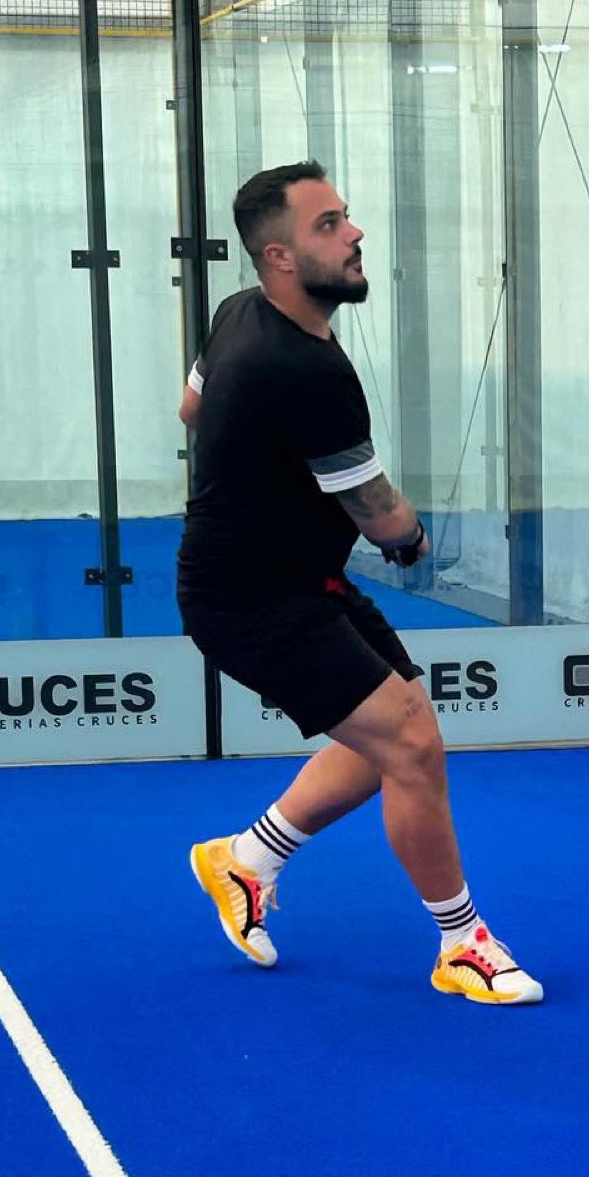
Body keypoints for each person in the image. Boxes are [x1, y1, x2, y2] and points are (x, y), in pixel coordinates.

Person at [174, 161, 541, 1006]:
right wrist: (413, 539)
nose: (355, 233)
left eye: (345, 216)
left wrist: (257, 468)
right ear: (279, 257)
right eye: (329, 225)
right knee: (410, 745)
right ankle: (462, 945)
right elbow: (381, 518)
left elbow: (192, 409)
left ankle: (247, 860)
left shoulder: (238, 312)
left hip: (296, 577)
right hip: (250, 601)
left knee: (397, 736)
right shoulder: (305, 372)